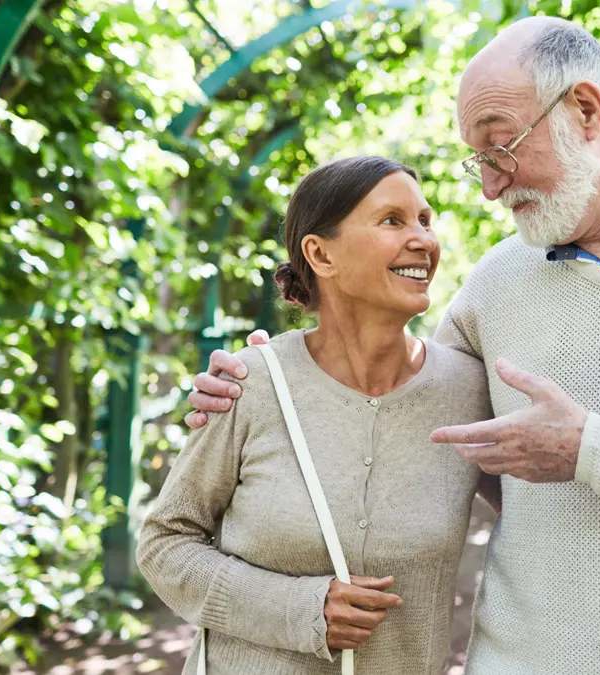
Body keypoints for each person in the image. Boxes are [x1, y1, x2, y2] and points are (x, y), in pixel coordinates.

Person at [185, 17, 600, 675]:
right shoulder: (495, 282)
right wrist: (271, 382)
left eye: (501, 147)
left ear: (586, 110)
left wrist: (591, 449)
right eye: (477, 159)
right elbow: (394, 411)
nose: (488, 185)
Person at [137, 156, 497, 674]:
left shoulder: (470, 389)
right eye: (392, 220)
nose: (424, 240)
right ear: (320, 254)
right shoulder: (250, 384)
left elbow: (539, 512)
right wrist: (296, 610)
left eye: (425, 220)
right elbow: (165, 543)